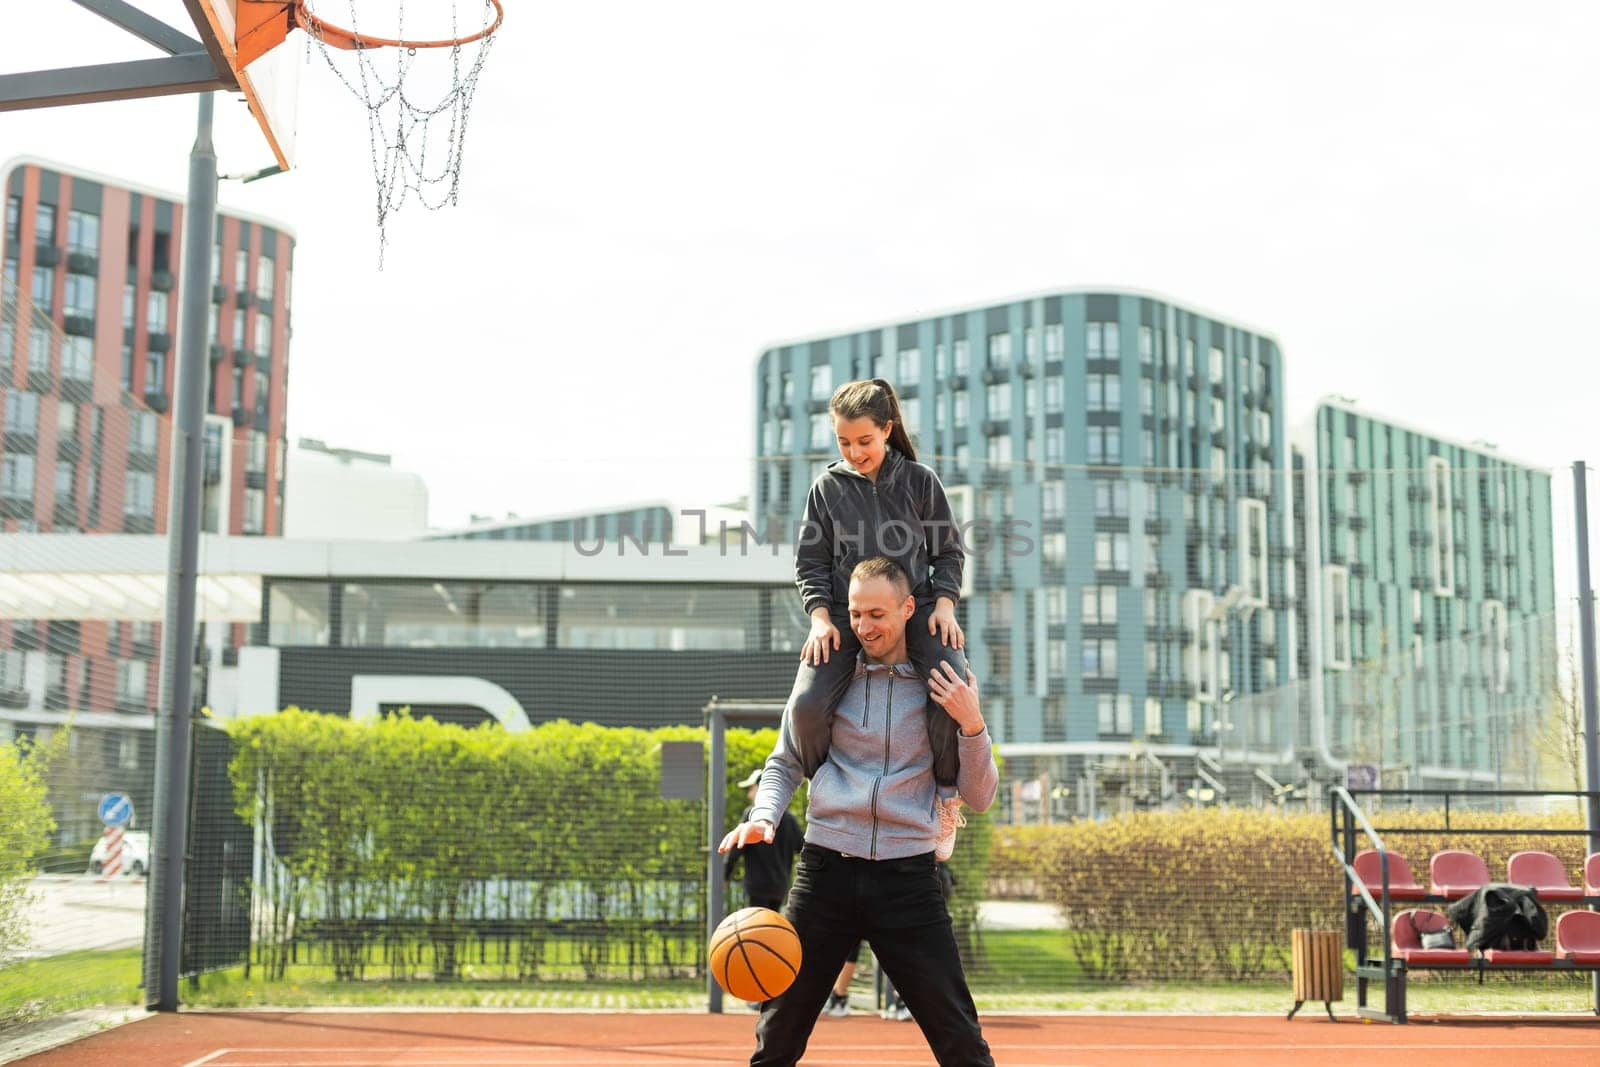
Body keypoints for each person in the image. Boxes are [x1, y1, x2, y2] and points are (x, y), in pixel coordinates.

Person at [719, 556, 998, 1067]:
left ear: (909, 608)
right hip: (826, 871)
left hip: (909, 880)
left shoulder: (942, 689)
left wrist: (973, 725)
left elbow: (979, 796)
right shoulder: (827, 681)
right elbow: (784, 761)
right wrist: (765, 816)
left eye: (877, 614)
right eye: (855, 614)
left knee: (961, 1041)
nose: (865, 627)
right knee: (777, 1038)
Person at [784, 378, 972, 857]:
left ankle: (946, 799)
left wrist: (945, 605)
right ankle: (824, 786)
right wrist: (821, 618)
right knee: (805, 706)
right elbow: (811, 563)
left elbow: (947, 553)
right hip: (849, 615)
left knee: (953, 686)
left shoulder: (919, 481)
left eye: (864, 441)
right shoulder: (826, 488)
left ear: (887, 430)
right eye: (844, 442)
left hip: (914, 608)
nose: (854, 451)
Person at [723, 769, 803, 913]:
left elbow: (736, 849)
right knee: (771, 927)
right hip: (779, 887)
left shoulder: (751, 815)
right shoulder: (790, 819)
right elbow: (802, 848)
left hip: (757, 886)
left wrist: (725, 876)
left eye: (751, 789)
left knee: (756, 927)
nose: (749, 794)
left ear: (762, 787)